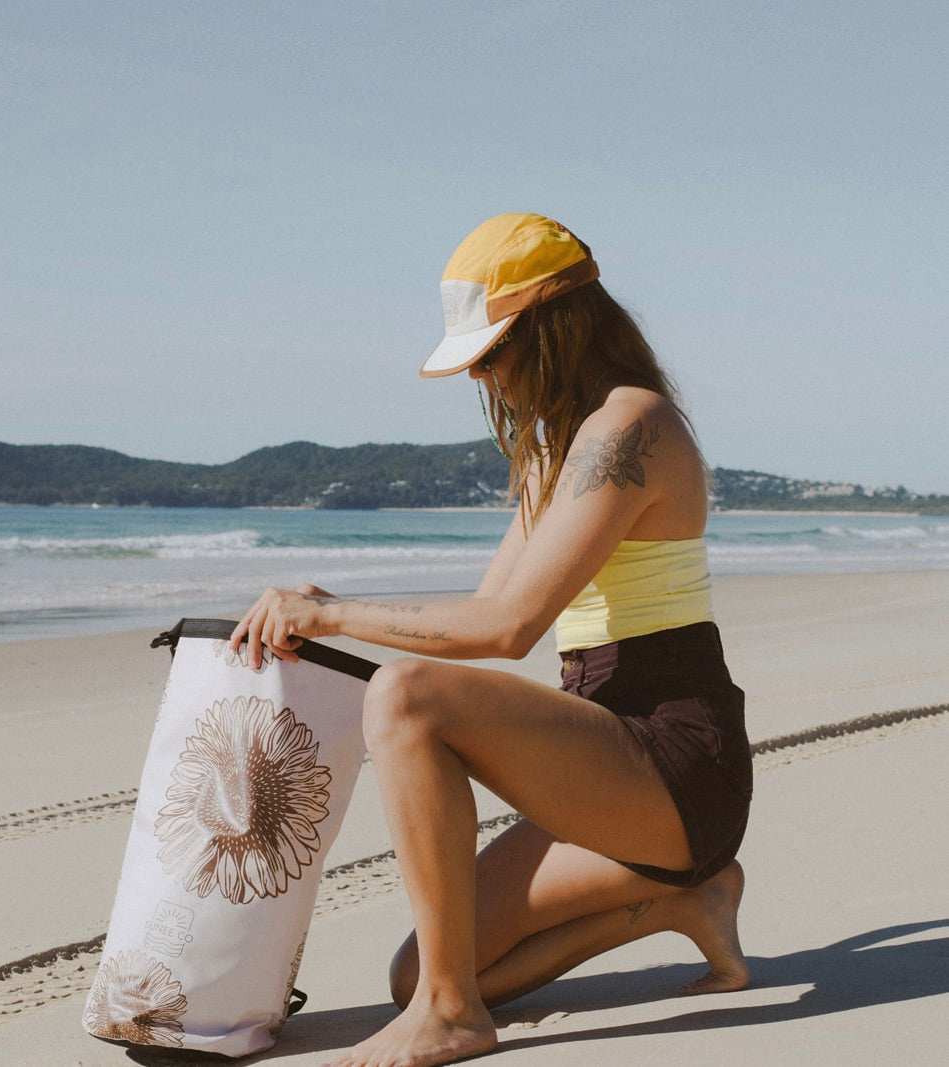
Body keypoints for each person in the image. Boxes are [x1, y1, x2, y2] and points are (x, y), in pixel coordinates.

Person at [229, 212, 753, 1067]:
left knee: (403, 695)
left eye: (491, 349)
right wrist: (333, 603)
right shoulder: (566, 449)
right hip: (604, 758)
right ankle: (677, 903)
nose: (481, 370)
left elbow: (507, 633)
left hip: (672, 758)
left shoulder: (632, 425)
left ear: (551, 328)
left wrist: (330, 616)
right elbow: (483, 608)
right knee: (418, 968)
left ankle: (452, 1014)